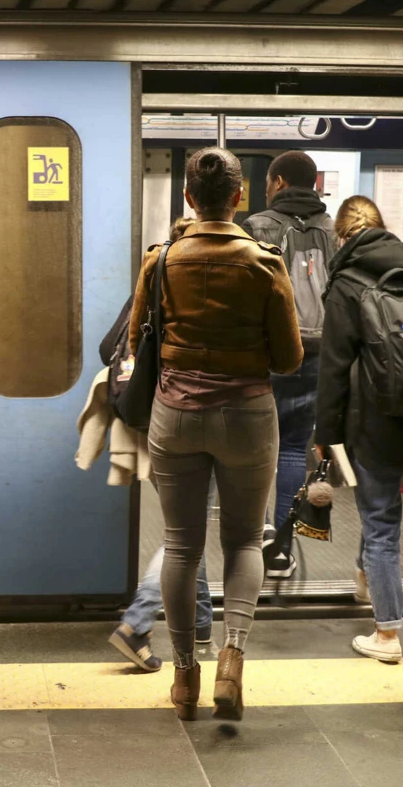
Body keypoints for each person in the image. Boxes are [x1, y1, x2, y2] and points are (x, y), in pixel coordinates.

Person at [130, 148, 301, 720]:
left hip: (175, 415)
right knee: (245, 540)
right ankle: (232, 658)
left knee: (182, 544)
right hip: (248, 415)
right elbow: (289, 358)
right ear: (238, 196)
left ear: (188, 197)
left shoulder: (161, 260)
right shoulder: (264, 263)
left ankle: (184, 677)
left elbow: (135, 343)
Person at [315, 196, 403, 664]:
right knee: (383, 514)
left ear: (342, 237)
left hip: (374, 420)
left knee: (380, 521)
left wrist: (325, 434)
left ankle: (387, 632)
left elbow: (334, 368)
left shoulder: (346, 283)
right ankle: (367, 578)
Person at [109, 217, 212, 673]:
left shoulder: (153, 280)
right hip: (192, 418)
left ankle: (202, 624)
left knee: (188, 523)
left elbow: (109, 346)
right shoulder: (207, 291)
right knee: (184, 533)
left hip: (155, 420)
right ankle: (137, 623)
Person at [242, 152, 334, 579]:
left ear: (278, 182)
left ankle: (255, 536)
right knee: (295, 447)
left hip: (267, 354)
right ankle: (281, 548)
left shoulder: (256, 226)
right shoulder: (332, 229)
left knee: (253, 447)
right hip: (318, 351)